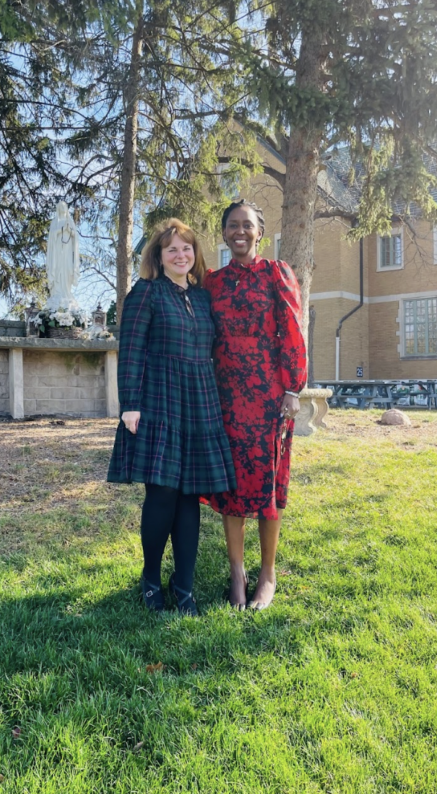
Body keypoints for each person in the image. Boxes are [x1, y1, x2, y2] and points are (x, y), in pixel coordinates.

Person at [107, 219, 236, 616]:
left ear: (195, 254)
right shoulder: (146, 293)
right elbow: (130, 350)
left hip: (199, 400)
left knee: (189, 496)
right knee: (161, 493)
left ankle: (184, 588)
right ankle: (150, 580)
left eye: (187, 248)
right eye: (172, 250)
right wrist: (130, 403)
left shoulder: (202, 298)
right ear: (158, 257)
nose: (181, 255)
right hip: (159, 397)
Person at [202, 200, 307, 610]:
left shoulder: (276, 274)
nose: (239, 231)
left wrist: (293, 388)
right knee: (231, 485)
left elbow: (293, 331)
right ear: (224, 233)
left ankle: (267, 573)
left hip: (269, 396)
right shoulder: (212, 282)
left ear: (259, 232)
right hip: (225, 395)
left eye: (247, 225)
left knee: (266, 486)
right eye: (232, 225)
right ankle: (236, 573)